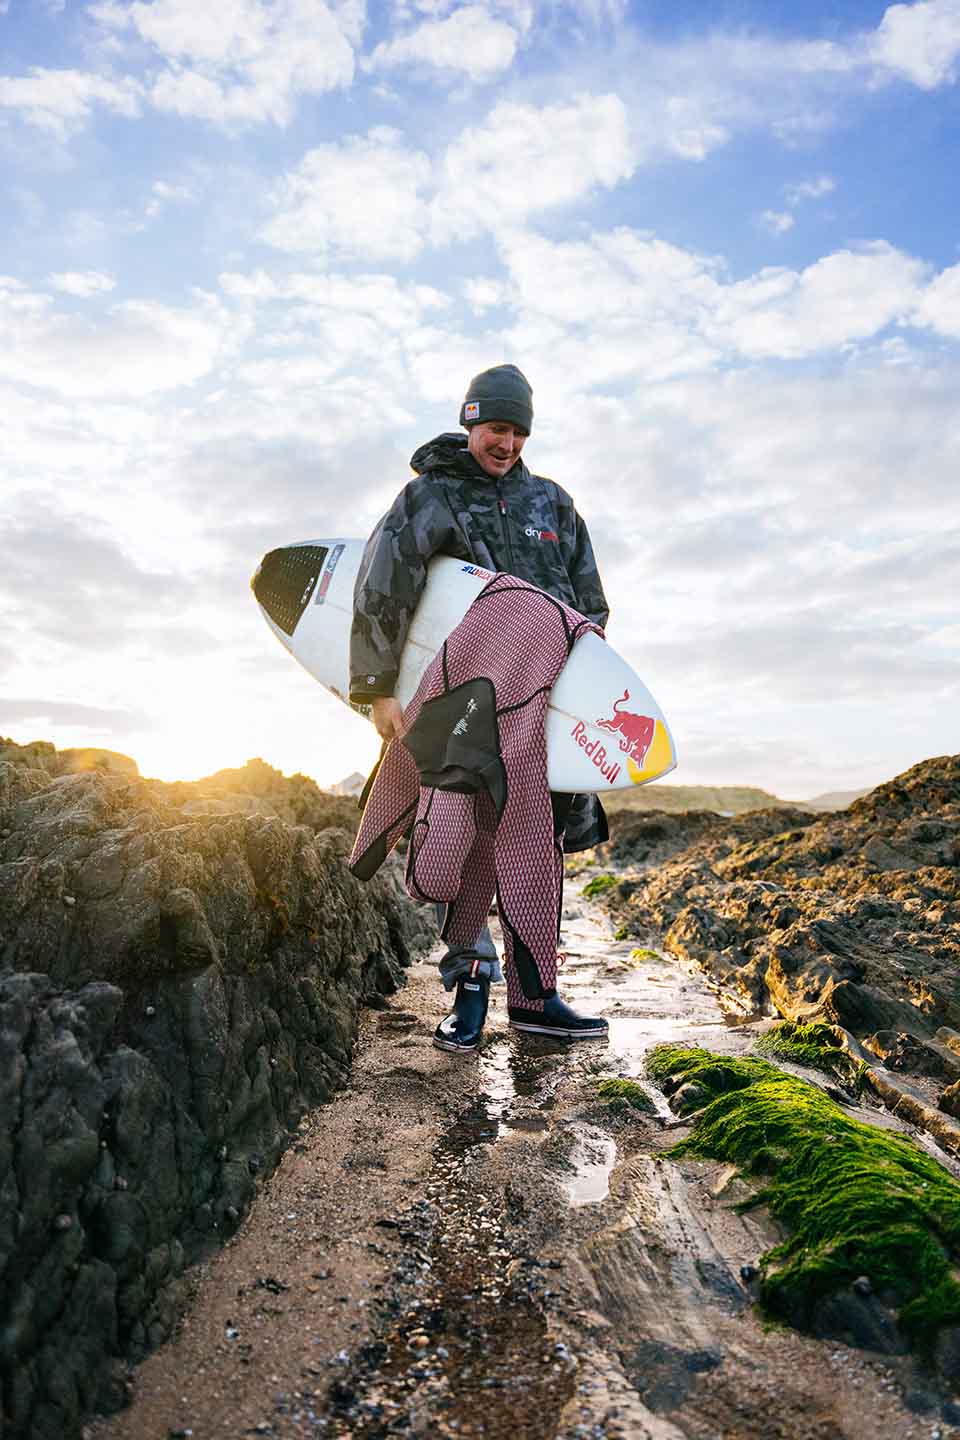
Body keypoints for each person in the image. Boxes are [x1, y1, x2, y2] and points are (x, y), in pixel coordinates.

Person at [349, 364, 610, 1051]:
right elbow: (385, 586)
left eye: (520, 432)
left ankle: (535, 998)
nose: (509, 444)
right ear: (471, 421)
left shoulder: (553, 504)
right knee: (468, 844)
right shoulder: (431, 496)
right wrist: (378, 690)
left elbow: (592, 604)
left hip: (537, 705)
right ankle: (468, 996)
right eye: (498, 428)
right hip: (459, 703)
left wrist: (584, 696)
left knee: (534, 849)